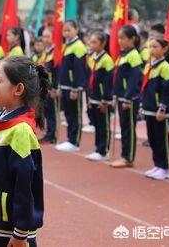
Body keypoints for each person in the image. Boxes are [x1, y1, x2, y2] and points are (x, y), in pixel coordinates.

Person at [0, 55, 46, 247]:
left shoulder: (19, 130)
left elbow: (24, 184)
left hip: (11, 229)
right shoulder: (3, 123)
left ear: (18, 89)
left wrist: (21, 233)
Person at [141, 38, 169, 180]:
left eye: (155, 47)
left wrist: (162, 107)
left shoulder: (165, 67)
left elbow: (168, 90)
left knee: (161, 138)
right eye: (150, 47)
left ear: (164, 49)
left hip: (159, 110)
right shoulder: (149, 65)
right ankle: (158, 164)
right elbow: (144, 86)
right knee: (153, 138)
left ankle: (166, 167)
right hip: (149, 108)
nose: (152, 50)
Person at [110, 25, 142, 168]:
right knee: (124, 127)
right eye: (119, 38)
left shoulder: (134, 55)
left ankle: (128, 157)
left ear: (132, 39)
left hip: (129, 99)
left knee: (128, 128)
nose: (119, 41)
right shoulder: (123, 54)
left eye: (123, 38)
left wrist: (128, 97)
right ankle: (125, 155)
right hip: (122, 96)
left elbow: (134, 79)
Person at [55, 20, 87, 152]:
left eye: (69, 30)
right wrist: (60, 85)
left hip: (74, 87)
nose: (66, 33)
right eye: (64, 30)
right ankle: (70, 139)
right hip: (65, 86)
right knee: (68, 114)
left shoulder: (78, 46)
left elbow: (79, 69)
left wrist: (76, 87)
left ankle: (75, 141)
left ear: (76, 29)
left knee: (75, 114)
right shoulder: (66, 45)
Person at [85, 31, 114, 161]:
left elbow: (108, 82)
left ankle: (103, 150)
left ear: (103, 44)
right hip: (94, 96)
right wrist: (90, 97)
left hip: (102, 99)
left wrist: (105, 100)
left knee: (103, 125)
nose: (91, 44)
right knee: (97, 124)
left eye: (94, 42)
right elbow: (90, 79)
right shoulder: (92, 58)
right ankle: (98, 148)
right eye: (90, 42)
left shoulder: (107, 60)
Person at [39, 28, 59, 144]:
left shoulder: (55, 52)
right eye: (44, 36)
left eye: (48, 36)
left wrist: (54, 88)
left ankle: (53, 135)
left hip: (51, 87)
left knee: (53, 111)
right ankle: (48, 133)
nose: (45, 39)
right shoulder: (46, 51)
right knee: (47, 111)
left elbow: (56, 72)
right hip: (45, 87)